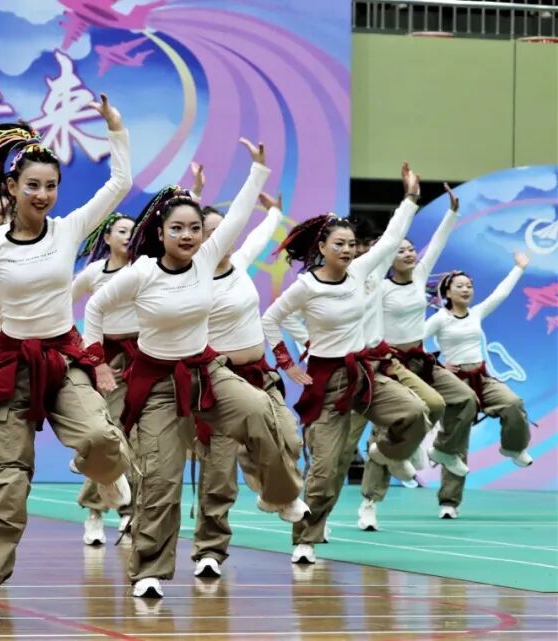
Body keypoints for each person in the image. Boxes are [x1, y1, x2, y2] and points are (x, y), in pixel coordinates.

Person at [0, 95, 132, 621]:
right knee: (6, 480)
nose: (43, 195)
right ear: (11, 188)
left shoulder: (68, 229)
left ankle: (99, 471)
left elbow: (119, 184)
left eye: (50, 186)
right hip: (11, 367)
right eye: (32, 186)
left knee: (101, 440)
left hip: (62, 358)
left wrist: (115, 130)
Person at [84, 140, 305, 599]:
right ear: (160, 232)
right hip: (158, 384)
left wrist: (258, 170)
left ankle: (278, 494)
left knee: (262, 413)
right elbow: (95, 308)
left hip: (207, 372)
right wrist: (97, 363)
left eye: (194, 229)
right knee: (161, 481)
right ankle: (149, 571)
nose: (187, 236)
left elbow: (240, 217)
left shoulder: (207, 259)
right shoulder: (142, 272)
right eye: (177, 228)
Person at [261, 164, 430, 565]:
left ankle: (385, 454)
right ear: (322, 246)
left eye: (352, 244)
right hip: (327, 381)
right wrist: (288, 362)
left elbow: (391, 239)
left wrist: (410, 198)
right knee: (324, 470)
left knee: (415, 413)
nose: (348, 250)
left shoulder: (360, 271)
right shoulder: (306, 286)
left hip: (365, 375)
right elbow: (271, 319)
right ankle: (305, 540)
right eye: (339, 244)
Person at [194, 188, 305, 578]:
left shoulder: (239, 262)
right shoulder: (190, 279)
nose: (223, 237)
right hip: (218, 386)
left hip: (258, 376)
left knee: (289, 439)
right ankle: (209, 551)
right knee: (218, 476)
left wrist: (274, 213)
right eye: (212, 232)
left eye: (225, 229)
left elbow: (260, 234)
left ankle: (274, 492)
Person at [357, 183, 477, 530]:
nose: (409, 254)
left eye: (411, 249)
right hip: (390, 363)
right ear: (389, 257)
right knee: (387, 428)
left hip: (421, 360)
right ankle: (369, 503)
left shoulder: (421, 275)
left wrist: (452, 213)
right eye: (401, 250)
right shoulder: (379, 286)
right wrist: (408, 201)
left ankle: (442, 450)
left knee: (464, 399)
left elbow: (438, 242)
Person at [424, 252, 533, 518]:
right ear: (447, 292)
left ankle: (513, 447)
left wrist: (519, 268)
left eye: (469, 286)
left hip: (481, 378)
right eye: (460, 286)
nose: (466, 290)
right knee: (456, 443)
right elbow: (415, 342)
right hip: (455, 383)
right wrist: (437, 364)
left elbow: (500, 294)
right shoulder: (440, 318)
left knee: (512, 403)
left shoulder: (476, 313)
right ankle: (449, 503)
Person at [70, 211, 137, 546]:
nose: (128, 236)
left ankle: (128, 511)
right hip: (106, 360)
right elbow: (60, 302)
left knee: (139, 438)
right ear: (107, 237)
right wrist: (85, 349)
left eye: (134, 231)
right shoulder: (95, 273)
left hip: (144, 355)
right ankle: (95, 511)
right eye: (122, 231)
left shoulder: (145, 268)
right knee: (111, 433)